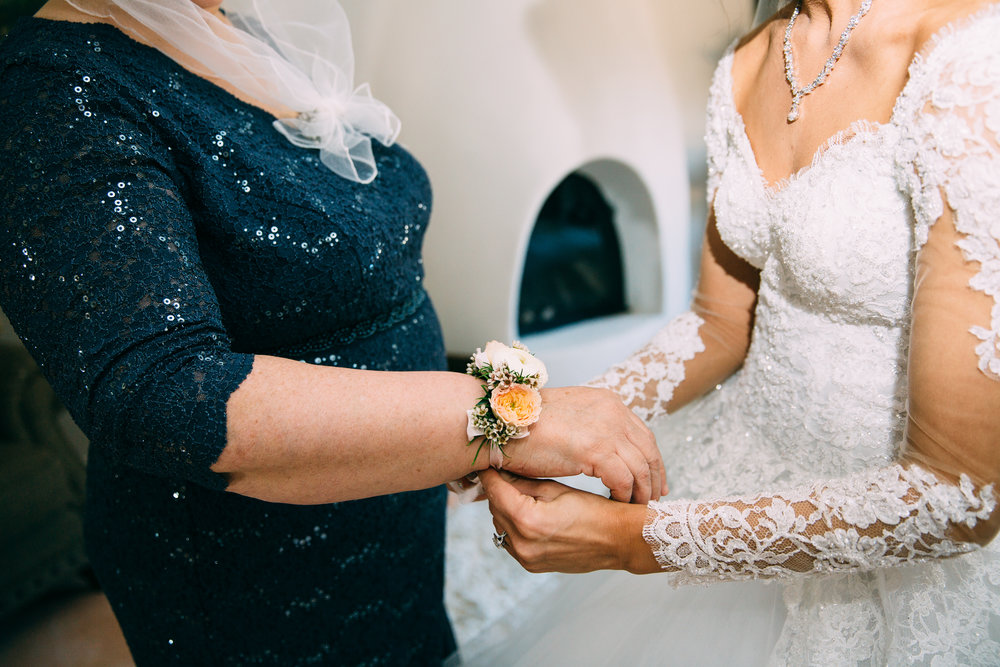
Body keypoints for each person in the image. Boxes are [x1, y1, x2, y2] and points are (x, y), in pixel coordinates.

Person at [0, 0, 666, 664]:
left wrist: (431, 439)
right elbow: (171, 396)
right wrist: (506, 419)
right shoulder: (56, 87)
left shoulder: (234, 27)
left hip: (383, 516)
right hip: (255, 565)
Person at [473, 0, 1000, 664]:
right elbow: (719, 323)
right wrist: (555, 419)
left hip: (886, 550)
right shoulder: (752, 59)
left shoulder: (972, 63)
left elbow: (959, 493)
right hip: (736, 461)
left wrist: (637, 540)